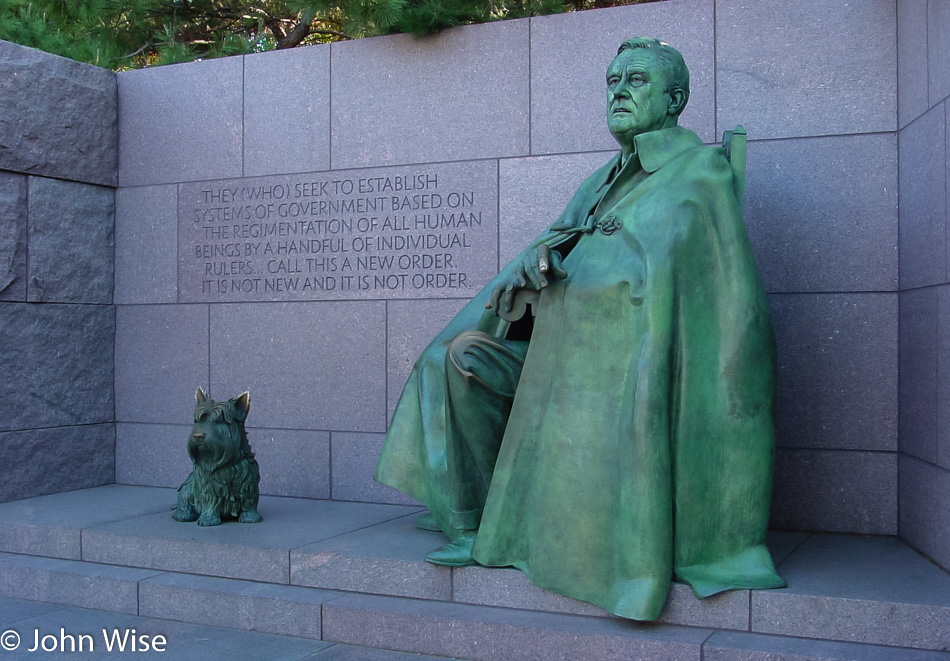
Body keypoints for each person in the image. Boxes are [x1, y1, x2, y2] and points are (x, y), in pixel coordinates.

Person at [375, 37, 785, 621]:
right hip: (556, 362)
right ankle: (476, 521)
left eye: (636, 80)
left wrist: (594, 294)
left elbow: (711, 307)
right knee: (459, 357)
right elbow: (555, 249)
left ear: (676, 99)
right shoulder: (598, 181)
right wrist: (529, 274)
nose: (619, 90)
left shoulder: (699, 175)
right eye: (613, 80)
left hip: (626, 375)